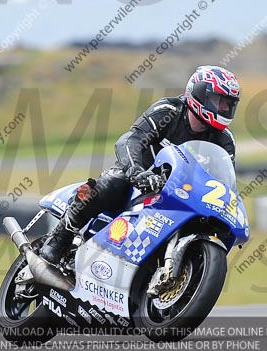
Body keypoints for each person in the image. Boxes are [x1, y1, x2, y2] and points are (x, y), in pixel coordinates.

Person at [39, 65, 241, 265]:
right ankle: (58, 240)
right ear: (199, 94)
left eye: (228, 104)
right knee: (106, 185)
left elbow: (224, 183)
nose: (224, 108)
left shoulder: (224, 141)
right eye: (219, 101)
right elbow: (131, 140)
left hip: (180, 195)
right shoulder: (169, 111)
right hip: (138, 178)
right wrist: (136, 171)